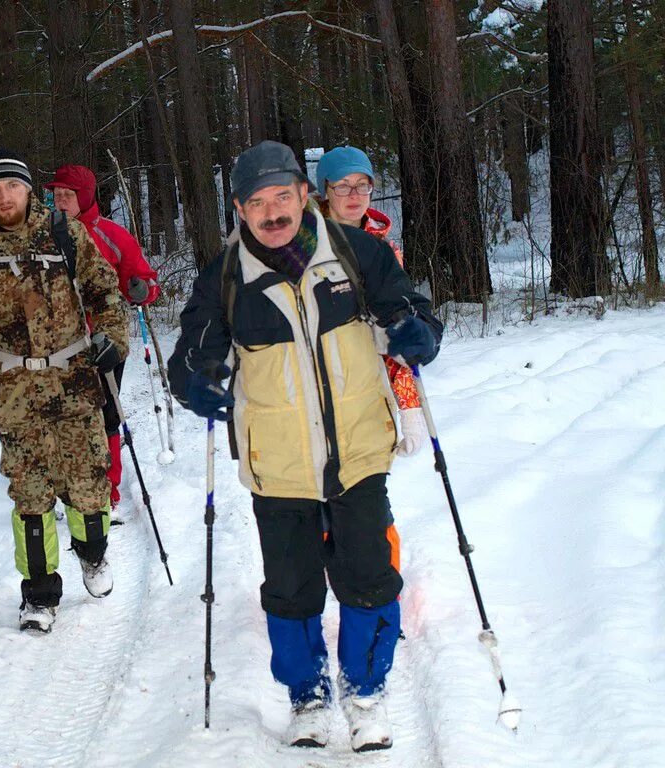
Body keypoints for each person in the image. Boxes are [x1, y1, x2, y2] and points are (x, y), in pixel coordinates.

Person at [167, 141, 442, 752]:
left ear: (302, 196)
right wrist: (194, 378)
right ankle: (308, 696)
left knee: (369, 578)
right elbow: (193, 351)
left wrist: (418, 331)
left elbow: (410, 308)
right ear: (239, 209)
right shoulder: (225, 279)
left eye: (282, 198)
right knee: (291, 589)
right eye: (258, 203)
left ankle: (366, 693)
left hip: (358, 454)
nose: (273, 213)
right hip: (279, 465)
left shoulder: (355, 253)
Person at [0, 149, 129, 633]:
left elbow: (105, 292)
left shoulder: (66, 234)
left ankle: (93, 553)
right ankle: (39, 593)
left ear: (27, 190)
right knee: (31, 494)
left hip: (75, 381)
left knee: (87, 483)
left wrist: (111, 337)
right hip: (14, 392)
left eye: (12, 186)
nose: (4, 197)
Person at [317, 145, 430, 570]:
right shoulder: (298, 242)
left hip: (367, 393)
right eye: (342, 185)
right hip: (314, 392)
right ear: (323, 190)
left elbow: (399, 337)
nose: (354, 194)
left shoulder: (385, 249)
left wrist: (411, 406)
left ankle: (382, 600)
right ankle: (333, 589)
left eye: (362, 185)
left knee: (370, 503)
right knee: (320, 504)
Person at [45, 164, 160, 511]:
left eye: (68, 195)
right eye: (56, 195)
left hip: (103, 342)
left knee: (105, 413)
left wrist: (142, 289)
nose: (61, 202)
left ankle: (107, 488)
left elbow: (145, 281)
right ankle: (62, 485)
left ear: (85, 196)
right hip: (56, 344)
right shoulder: (42, 236)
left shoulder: (111, 234)